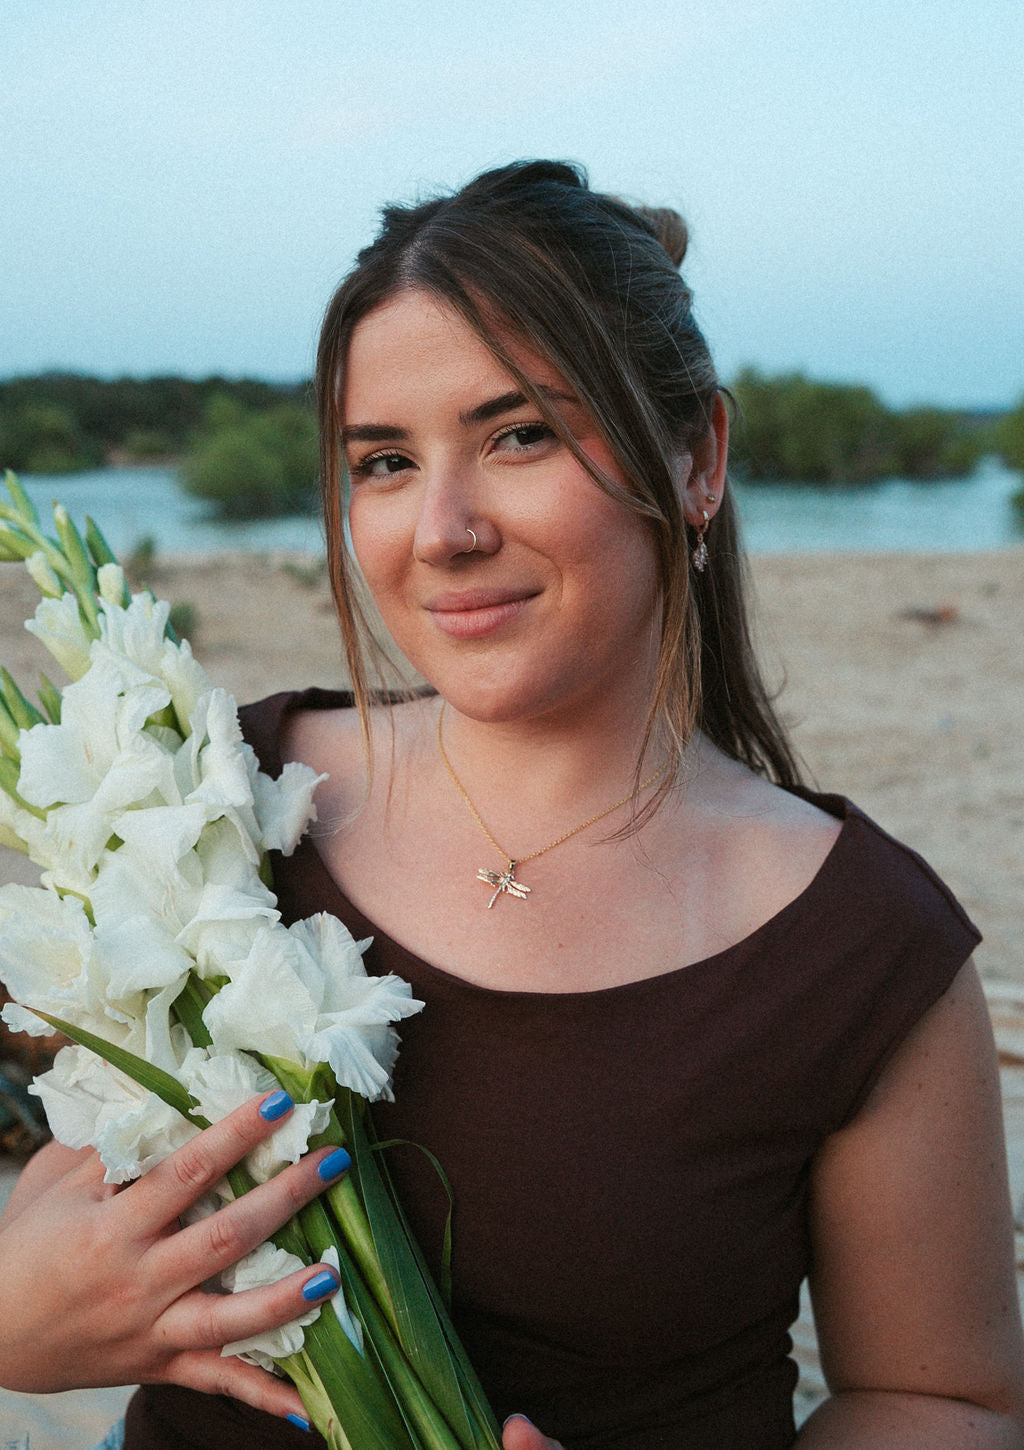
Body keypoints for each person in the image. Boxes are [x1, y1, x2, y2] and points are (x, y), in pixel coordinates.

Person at [1, 160, 1022, 1450]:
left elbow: (941, 1399)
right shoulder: (212, 807)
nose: (440, 530)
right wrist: (19, 1326)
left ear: (697, 456)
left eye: (520, 434)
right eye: (382, 460)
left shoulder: (861, 948)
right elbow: (81, 1189)